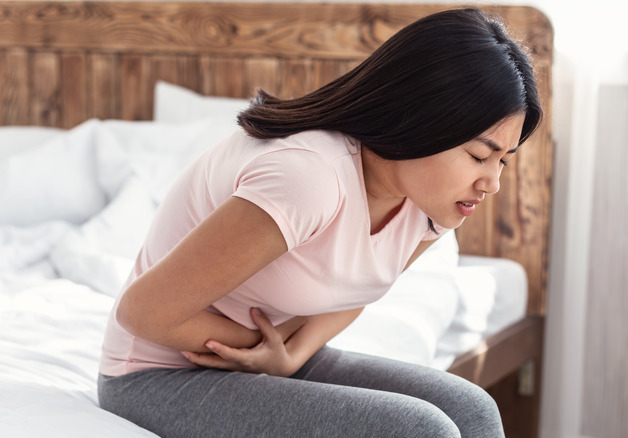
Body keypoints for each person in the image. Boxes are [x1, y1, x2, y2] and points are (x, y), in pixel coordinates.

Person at [97, 7, 542, 437]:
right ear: (421, 122)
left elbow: (355, 287)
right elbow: (142, 312)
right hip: (156, 375)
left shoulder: (435, 199)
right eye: (479, 156)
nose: (492, 183)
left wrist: (290, 357)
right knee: (422, 431)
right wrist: (269, 348)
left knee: (472, 410)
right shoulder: (309, 178)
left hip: (270, 361)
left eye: (503, 159)